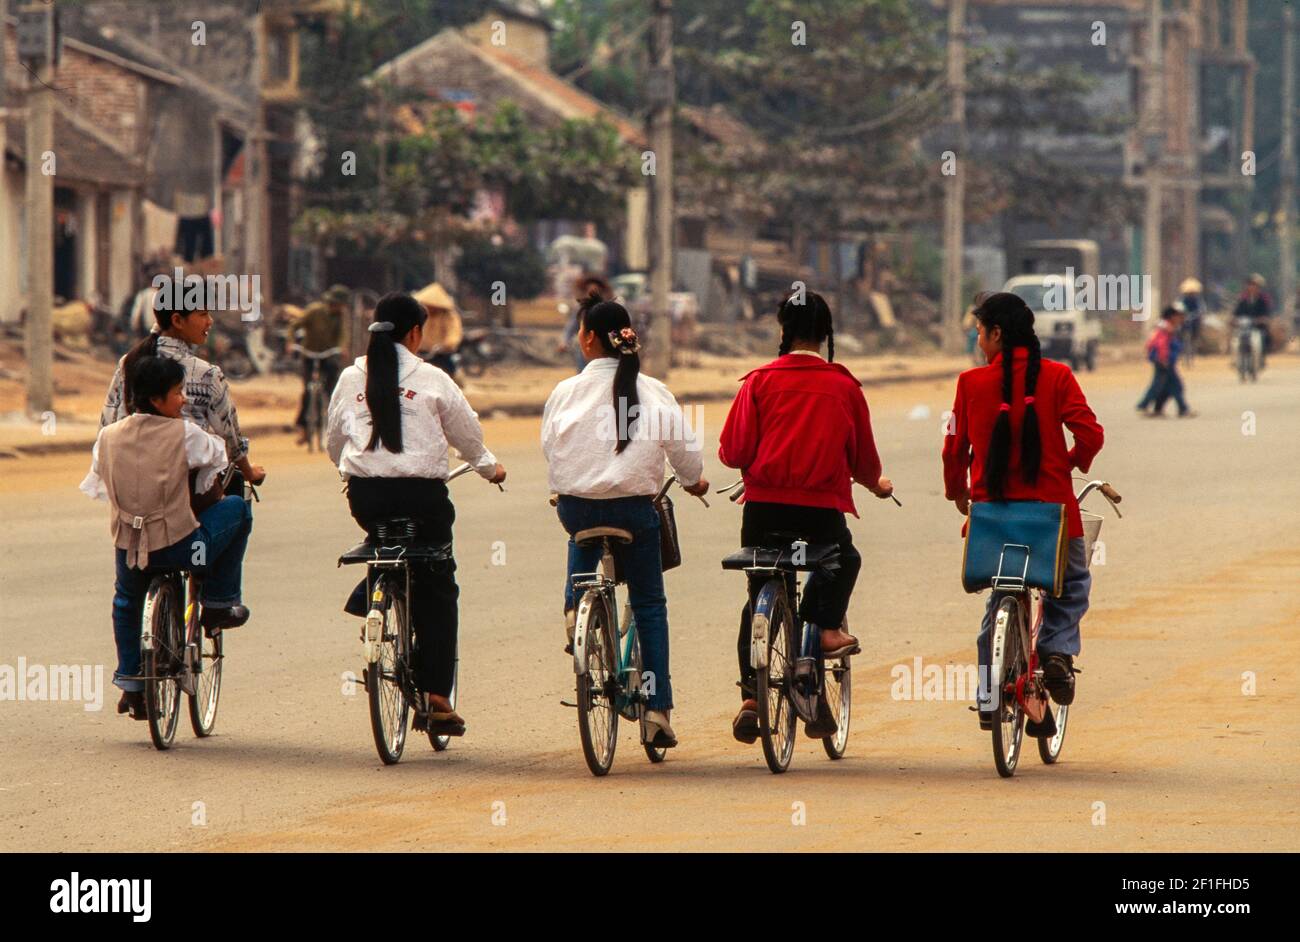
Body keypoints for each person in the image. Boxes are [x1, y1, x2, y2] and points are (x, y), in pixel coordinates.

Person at [326, 293, 506, 737]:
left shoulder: (351, 377)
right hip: (422, 500)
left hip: (366, 499)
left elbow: (334, 440)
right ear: (414, 333)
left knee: (385, 541)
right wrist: (490, 468)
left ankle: (374, 585)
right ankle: (437, 698)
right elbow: (469, 438)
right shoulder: (433, 378)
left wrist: (354, 468)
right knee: (438, 585)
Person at [718, 290, 894, 742]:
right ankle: (825, 630)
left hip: (763, 512)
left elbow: (732, 451)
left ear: (784, 332)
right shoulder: (844, 386)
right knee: (843, 559)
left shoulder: (758, 382)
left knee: (759, 587)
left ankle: (752, 699)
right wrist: (877, 485)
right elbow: (864, 465)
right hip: (819, 515)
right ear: (826, 336)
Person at [542, 293, 706, 748]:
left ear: (589, 338)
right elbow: (687, 457)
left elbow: (551, 450)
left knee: (580, 531)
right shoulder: (654, 391)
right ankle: (657, 708)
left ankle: (575, 607)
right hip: (635, 514)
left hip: (578, 509)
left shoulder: (564, 392)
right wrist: (695, 482)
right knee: (650, 605)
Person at [941, 292, 1104, 725]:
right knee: (1071, 586)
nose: (978, 340)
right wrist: (1070, 464)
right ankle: (1055, 650)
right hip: (1051, 517)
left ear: (996, 334)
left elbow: (954, 448)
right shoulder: (1058, 376)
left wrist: (959, 492)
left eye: (979, 331)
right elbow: (1090, 434)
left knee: (999, 599)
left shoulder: (969, 384)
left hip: (993, 521)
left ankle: (989, 694)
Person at [81, 355, 254, 719]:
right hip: (184, 549)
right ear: (157, 400)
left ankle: (131, 681)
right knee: (238, 508)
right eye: (178, 393)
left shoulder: (107, 439)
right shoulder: (186, 435)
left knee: (127, 600)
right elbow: (217, 465)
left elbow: (99, 488)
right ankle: (221, 600)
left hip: (131, 550)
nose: (184, 400)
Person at [102, 299, 267, 488]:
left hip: (132, 486)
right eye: (203, 314)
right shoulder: (206, 373)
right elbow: (230, 435)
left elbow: (107, 423)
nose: (210, 321)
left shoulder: (128, 362)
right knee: (236, 507)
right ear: (178, 321)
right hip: (185, 490)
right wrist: (249, 472)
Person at [291, 284, 349, 443]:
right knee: (308, 390)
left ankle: (332, 426)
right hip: (309, 353)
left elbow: (342, 335)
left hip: (328, 355)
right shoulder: (314, 311)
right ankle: (303, 427)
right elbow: (295, 325)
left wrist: (342, 348)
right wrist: (290, 343)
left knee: (332, 390)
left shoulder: (340, 316)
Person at [1137, 306, 1193, 417]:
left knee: (1165, 387)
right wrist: (1163, 359)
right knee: (1173, 386)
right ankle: (1183, 409)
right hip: (1164, 361)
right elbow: (1161, 345)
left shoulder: (1166, 327)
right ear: (1171, 316)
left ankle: (1157, 408)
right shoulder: (1166, 328)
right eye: (1177, 316)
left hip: (1166, 361)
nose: (1180, 319)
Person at [558, 274, 612, 373]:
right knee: (584, 373)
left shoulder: (609, 309)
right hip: (585, 347)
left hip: (605, 348)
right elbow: (570, 328)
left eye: (596, 291)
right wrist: (564, 342)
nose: (592, 294)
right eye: (590, 291)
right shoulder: (581, 310)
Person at [417, 283, 464, 380]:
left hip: (440, 353)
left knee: (450, 373)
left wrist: (446, 345)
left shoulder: (449, 316)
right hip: (421, 352)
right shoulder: (421, 314)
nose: (428, 307)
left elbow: (453, 333)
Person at [1232, 274, 1274, 368]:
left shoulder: (1263, 299)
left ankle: (1262, 358)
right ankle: (1235, 359)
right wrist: (1234, 319)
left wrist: (1263, 319)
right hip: (1244, 326)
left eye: (1254, 285)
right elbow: (1237, 312)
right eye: (1250, 285)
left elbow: (1267, 312)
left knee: (1263, 337)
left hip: (1258, 326)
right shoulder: (1243, 299)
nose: (1252, 287)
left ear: (1258, 287)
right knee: (1235, 340)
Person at [1178, 278, 1205, 365]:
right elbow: (1179, 307)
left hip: (1194, 319)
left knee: (1194, 336)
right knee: (1180, 335)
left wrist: (1197, 314)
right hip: (1184, 319)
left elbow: (1201, 309)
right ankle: (1182, 354)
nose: (1191, 294)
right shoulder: (1183, 299)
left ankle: (1192, 354)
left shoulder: (1197, 300)